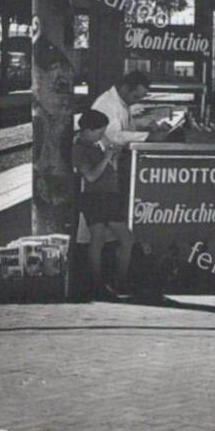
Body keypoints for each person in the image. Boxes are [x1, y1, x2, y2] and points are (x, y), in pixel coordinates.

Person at [73, 108, 133, 298]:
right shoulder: (80, 148)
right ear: (89, 130)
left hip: (102, 197)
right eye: (100, 132)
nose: (102, 135)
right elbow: (90, 176)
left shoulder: (91, 145)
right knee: (126, 239)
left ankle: (98, 283)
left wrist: (109, 157)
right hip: (99, 197)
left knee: (97, 239)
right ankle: (119, 281)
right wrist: (107, 157)